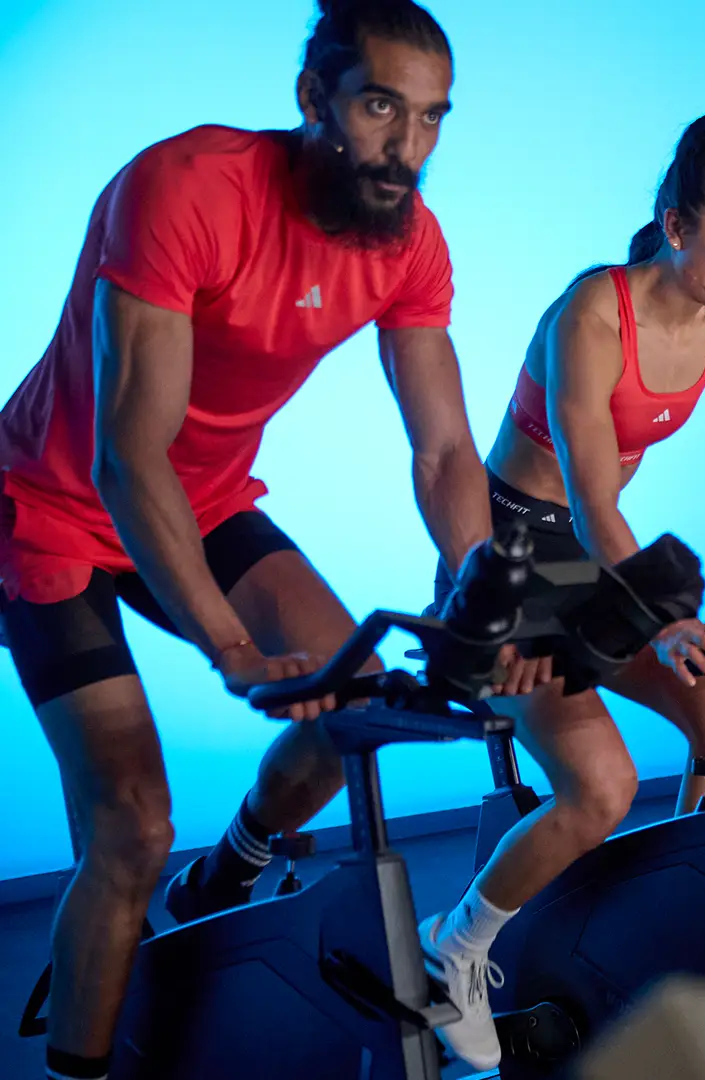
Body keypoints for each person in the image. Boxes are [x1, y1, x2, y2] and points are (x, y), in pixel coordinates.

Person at [0, 4, 521, 1078]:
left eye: (431, 118)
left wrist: (484, 598)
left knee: (353, 702)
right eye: (381, 107)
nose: (407, 146)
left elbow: (443, 453)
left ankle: (229, 873)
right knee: (133, 829)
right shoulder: (189, 188)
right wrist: (229, 646)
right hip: (51, 507)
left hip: (207, 499)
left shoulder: (409, 241)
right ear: (313, 97)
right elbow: (127, 456)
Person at [409, 113, 705, 1068]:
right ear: (676, 225)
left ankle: (669, 926)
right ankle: (455, 945)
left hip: (591, 565)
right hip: (509, 558)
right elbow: (593, 494)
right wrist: (666, 617)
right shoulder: (592, 315)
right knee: (602, 784)